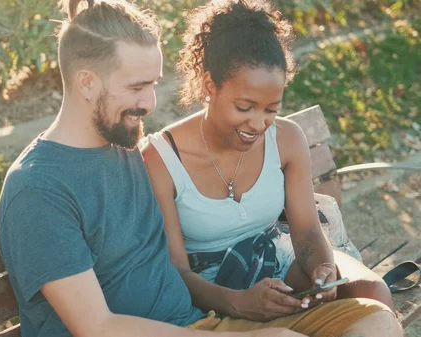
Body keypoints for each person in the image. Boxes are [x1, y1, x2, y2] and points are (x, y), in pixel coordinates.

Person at [0, 0, 401, 336]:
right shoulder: (39, 189)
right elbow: (97, 326)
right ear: (86, 83)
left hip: (198, 323)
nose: (152, 103)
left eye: (154, 84)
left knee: (376, 323)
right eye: (137, 87)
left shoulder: (122, 150)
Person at [141, 0, 399, 327]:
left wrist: (323, 268)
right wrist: (238, 303)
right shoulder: (161, 159)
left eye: (271, 109)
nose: (259, 124)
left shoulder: (287, 138)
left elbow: (306, 232)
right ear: (210, 87)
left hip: (280, 259)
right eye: (245, 106)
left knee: (375, 292)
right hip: (213, 288)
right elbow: (175, 270)